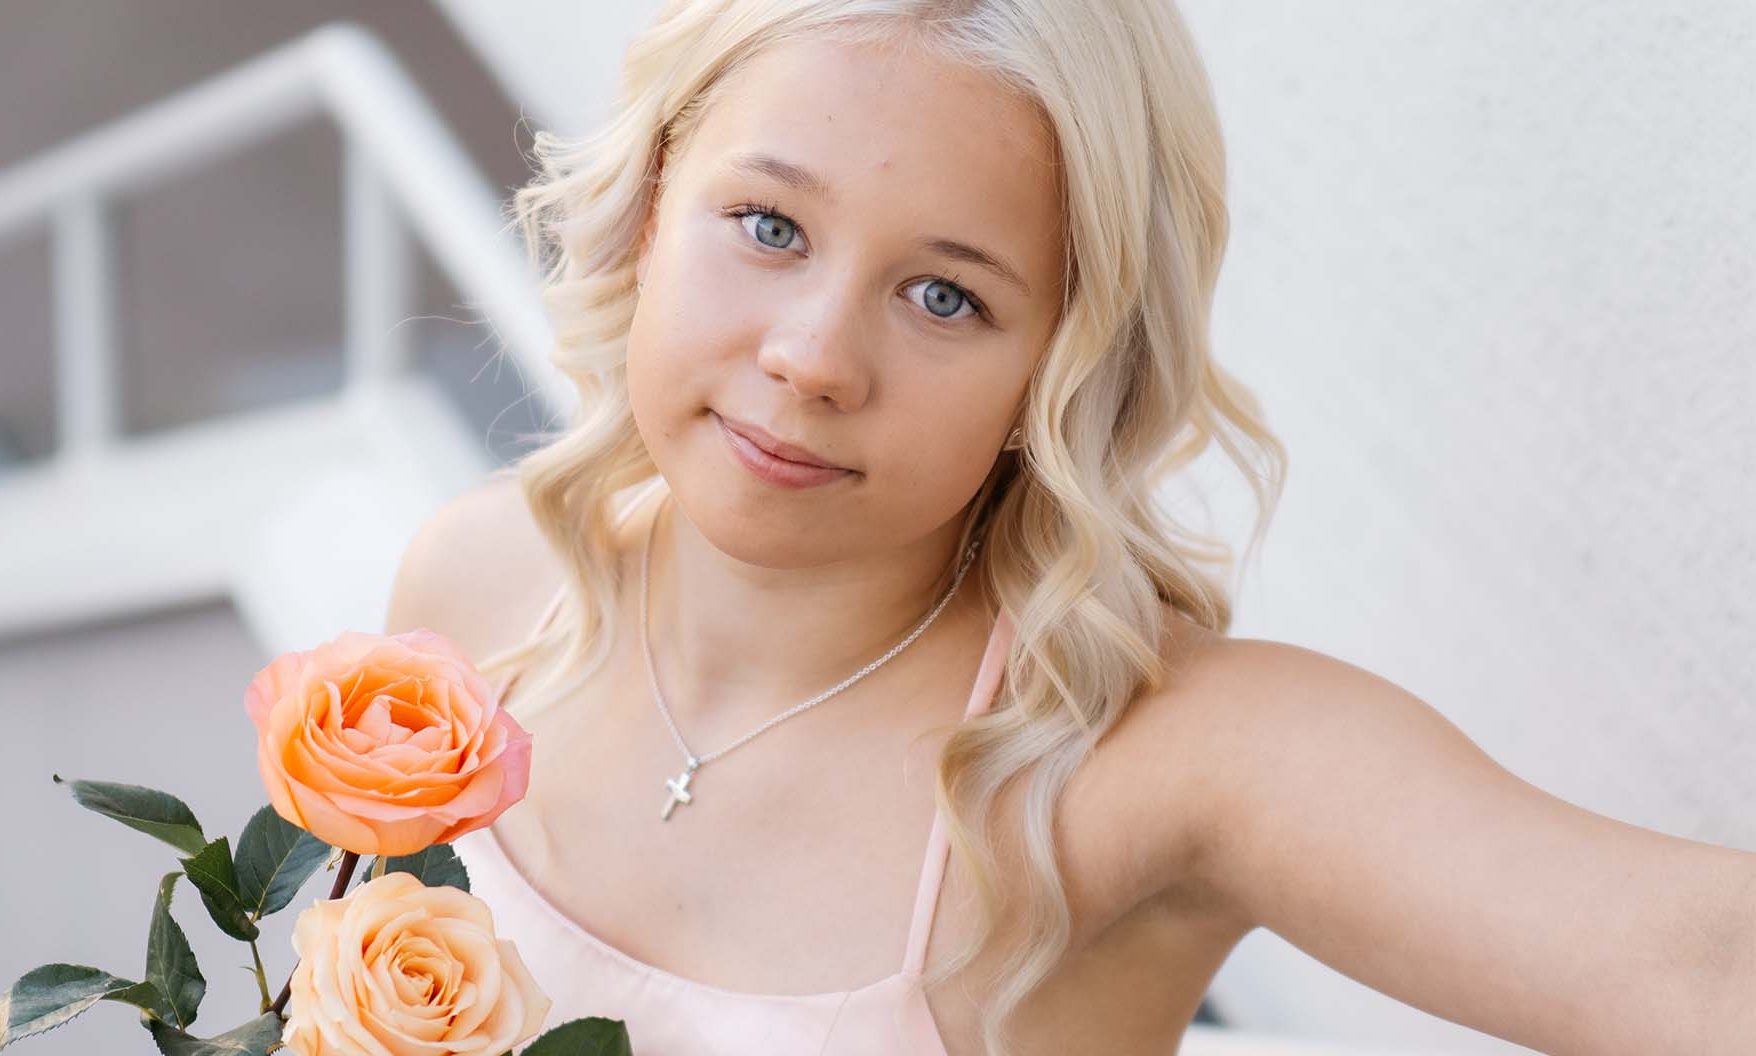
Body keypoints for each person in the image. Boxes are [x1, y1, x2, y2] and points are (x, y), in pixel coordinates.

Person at [384, 1, 1756, 1053]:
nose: (812, 358)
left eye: (944, 298)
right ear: (655, 203)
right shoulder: (483, 581)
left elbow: (1703, 968)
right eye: (766, 224)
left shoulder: (1146, 763)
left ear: (1064, 364)